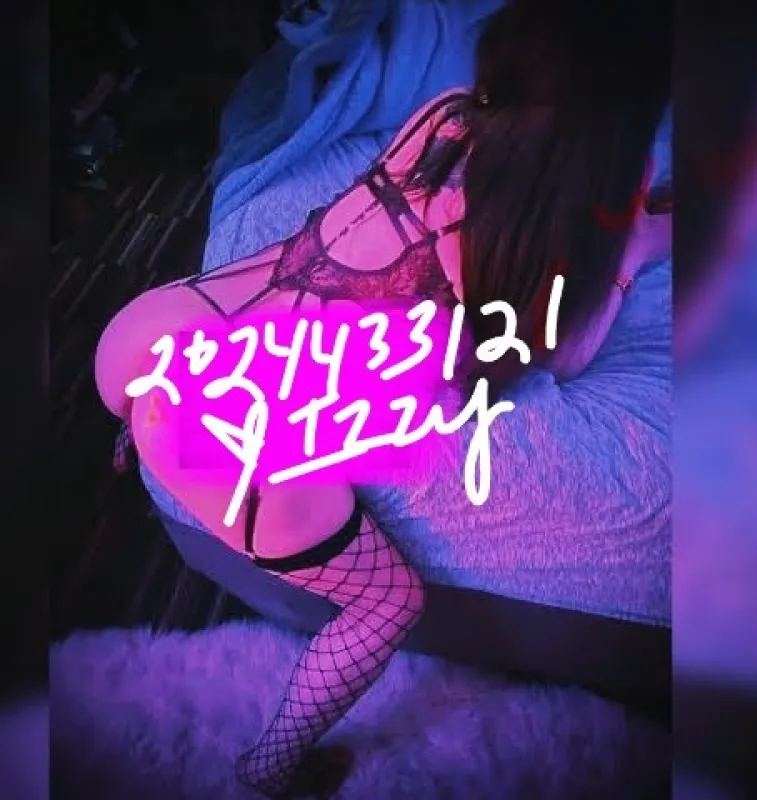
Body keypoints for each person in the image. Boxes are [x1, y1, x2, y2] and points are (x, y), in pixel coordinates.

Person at [94, 1, 671, 795]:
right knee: (386, 607)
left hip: (149, 325)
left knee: (170, 399)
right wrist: (628, 255)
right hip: (216, 418)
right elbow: (561, 362)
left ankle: (134, 433)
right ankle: (269, 768)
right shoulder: (528, 243)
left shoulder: (445, 117)